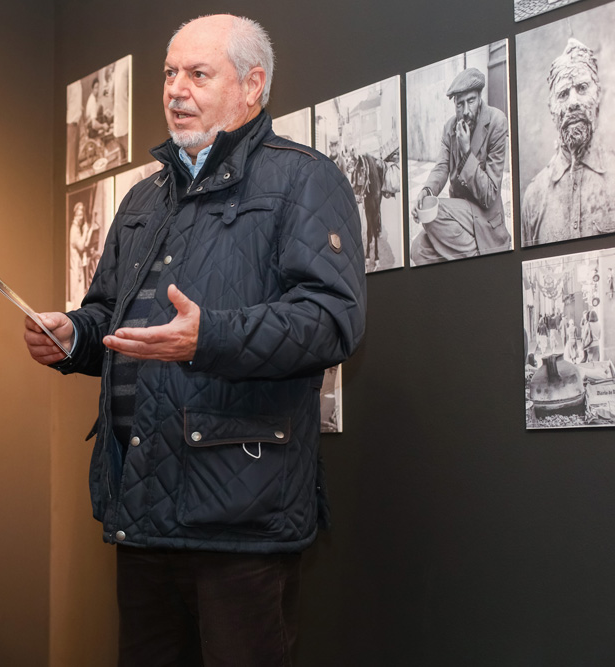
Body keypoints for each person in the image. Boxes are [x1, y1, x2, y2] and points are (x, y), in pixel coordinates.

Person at [23, 14, 365, 666]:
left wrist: (209, 337)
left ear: (252, 84)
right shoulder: (143, 201)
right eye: (169, 73)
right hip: (142, 510)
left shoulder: (304, 181)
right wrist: (73, 336)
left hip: (241, 520)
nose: (175, 89)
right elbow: (110, 320)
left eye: (197, 73)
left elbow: (331, 320)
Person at [410, 67, 511, 264]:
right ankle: (472, 254)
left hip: (484, 214)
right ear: (454, 104)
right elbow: (441, 166)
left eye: (470, 101)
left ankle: (476, 257)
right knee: (417, 249)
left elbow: (490, 194)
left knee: (436, 213)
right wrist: (427, 190)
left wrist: (466, 152)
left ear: (479, 97)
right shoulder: (449, 128)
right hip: (460, 215)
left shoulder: (497, 122)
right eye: (459, 104)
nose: (465, 111)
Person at [522, 38, 615, 246]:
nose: (573, 102)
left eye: (582, 88)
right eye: (563, 94)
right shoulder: (534, 197)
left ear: (597, 95)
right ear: (552, 108)